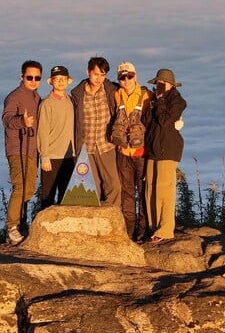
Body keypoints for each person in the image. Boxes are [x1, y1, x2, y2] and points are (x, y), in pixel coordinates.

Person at [71, 56, 122, 207]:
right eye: (96, 74)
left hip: (105, 144)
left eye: (103, 74)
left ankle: (112, 220)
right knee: (91, 187)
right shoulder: (78, 94)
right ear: (88, 72)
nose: (99, 78)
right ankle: (94, 223)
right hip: (86, 147)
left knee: (113, 184)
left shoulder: (111, 90)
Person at [1, 60, 42, 245]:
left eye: (37, 77)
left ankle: (19, 223)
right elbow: (7, 119)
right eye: (30, 77)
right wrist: (21, 122)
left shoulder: (36, 97)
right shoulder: (15, 97)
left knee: (29, 188)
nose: (33, 80)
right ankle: (12, 227)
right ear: (22, 77)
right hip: (17, 148)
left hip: (32, 149)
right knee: (20, 186)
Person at [144, 68, 186, 242]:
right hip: (153, 149)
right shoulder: (154, 101)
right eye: (157, 84)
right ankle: (154, 228)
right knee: (150, 190)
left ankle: (166, 229)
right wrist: (153, 103)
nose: (159, 87)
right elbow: (147, 121)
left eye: (162, 84)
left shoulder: (178, 102)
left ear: (171, 85)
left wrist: (160, 101)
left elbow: (164, 121)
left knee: (164, 191)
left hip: (168, 150)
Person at [111, 62, 152, 240]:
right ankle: (128, 228)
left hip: (141, 153)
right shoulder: (116, 95)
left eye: (130, 76)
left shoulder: (146, 95)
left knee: (143, 191)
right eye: (122, 77)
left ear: (135, 76)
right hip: (122, 152)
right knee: (127, 193)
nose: (126, 80)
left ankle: (143, 229)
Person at [37, 65, 76, 209]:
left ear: (68, 81)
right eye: (57, 79)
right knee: (48, 196)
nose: (60, 82)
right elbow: (42, 131)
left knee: (66, 196)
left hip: (69, 156)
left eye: (63, 79)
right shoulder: (46, 104)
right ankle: (45, 229)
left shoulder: (71, 101)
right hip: (51, 157)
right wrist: (44, 156)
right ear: (51, 82)